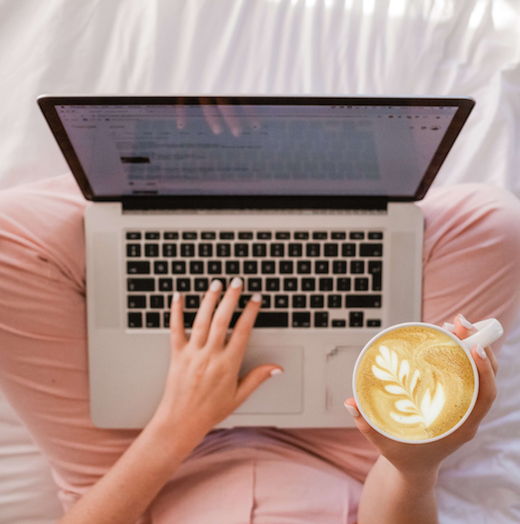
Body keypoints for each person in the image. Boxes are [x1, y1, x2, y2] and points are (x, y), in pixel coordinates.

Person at [1, 173, 520, 524]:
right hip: (351, 460)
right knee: (495, 223)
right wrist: (414, 465)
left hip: (144, 470)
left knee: (8, 236)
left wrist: (177, 426)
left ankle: (179, 177)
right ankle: (312, 181)